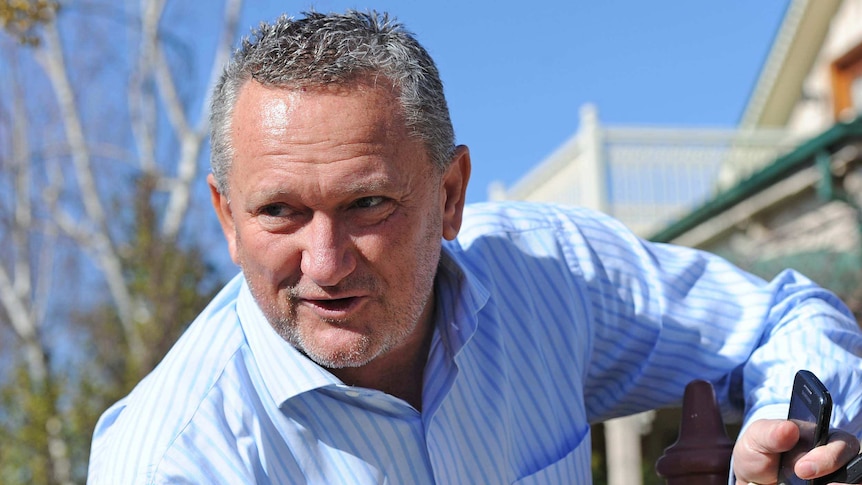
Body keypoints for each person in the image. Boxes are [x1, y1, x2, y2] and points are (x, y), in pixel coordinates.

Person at [87, 10, 862, 485]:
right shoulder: (174, 462)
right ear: (227, 217)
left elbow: (786, 318)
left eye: (367, 204)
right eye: (280, 212)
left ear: (451, 195)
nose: (324, 263)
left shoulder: (550, 276)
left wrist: (785, 452)